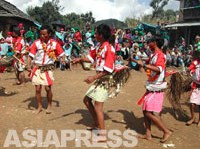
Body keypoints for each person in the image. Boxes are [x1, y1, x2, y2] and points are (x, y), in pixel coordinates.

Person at [72, 24, 115, 142]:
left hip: (104, 80)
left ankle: (102, 135)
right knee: (86, 100)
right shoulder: (98, 47)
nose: (94, 35)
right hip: (99, 79)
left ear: (101, 35)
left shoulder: (109, 49)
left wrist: (94, 77)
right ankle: (96, 124)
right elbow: (90, 59)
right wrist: (80, 59)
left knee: (98, 107)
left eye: (96, 33)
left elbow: (108, 70)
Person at [136, 37, 172, 143]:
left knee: (148, 113)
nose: (148, 44)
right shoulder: (153, 55)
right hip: (152, 86)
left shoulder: (160, 55)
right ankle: (148, 134)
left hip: (156, 88)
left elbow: (159, 69)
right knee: (145, 111)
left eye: (149, 42)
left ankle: (166, 131)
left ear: (155, 43)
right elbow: (148, 65)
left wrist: (145, 65)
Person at [27, 25, 65, 114]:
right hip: (37, 68)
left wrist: (62, 60)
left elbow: (62, 54)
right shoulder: (36, 43)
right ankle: (39, 106)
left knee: (48, 88)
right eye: (41, 34)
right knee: (37, 89)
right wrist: (28, 65)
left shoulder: (55, 43)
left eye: (44, 34)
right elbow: (30, 55)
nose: (42, 36)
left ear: (50, 34)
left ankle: (49, 105)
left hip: (48, 68)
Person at [186, 50, 200, 127]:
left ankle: (199, 121)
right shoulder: (196, 62)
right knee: (191, 103)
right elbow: (190, 67)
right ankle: (193, 118)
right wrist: (188, 69)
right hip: (195, 86)